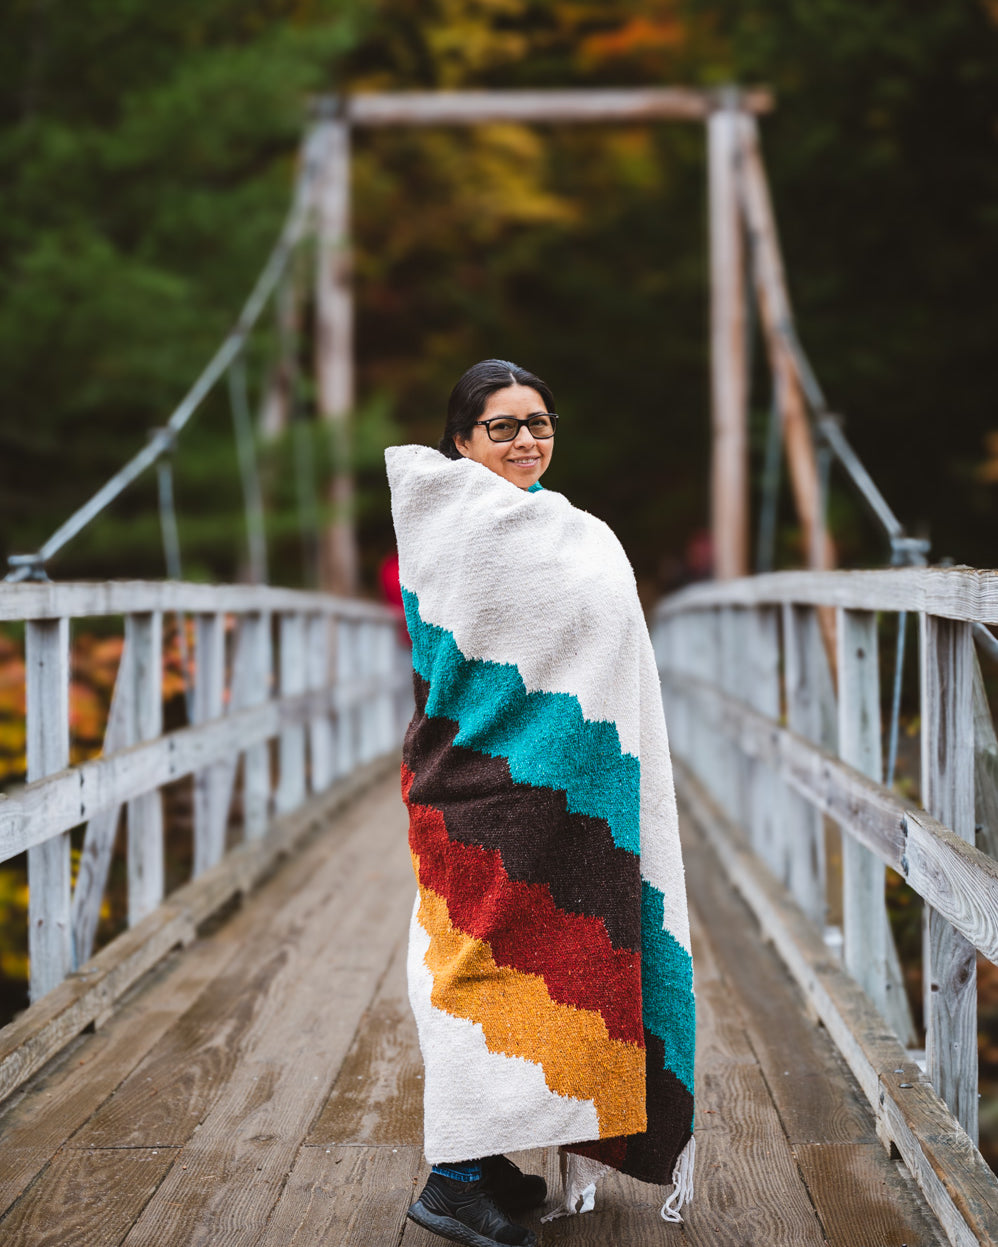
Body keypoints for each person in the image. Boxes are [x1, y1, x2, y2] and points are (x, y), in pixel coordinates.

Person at [385, 360, 695, 1247]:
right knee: (472, 962)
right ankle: (449, 1178)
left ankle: (482, 1157)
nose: (526, 439)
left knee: (550, 958)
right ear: (461, 440)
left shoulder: (570, 527)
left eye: (539, 422)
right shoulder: (456, 526)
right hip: (480, 784)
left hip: (571, 789)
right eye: (503, 426)